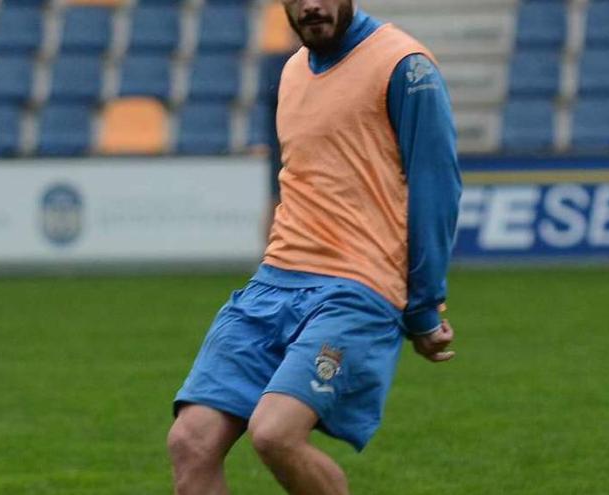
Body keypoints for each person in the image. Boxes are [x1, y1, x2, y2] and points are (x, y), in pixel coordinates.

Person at [166, 0, 462, 493]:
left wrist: (425, 305)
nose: (310, 5)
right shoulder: (290, 72)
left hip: (356, 288)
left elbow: (437, 187)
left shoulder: (404, 66)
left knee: (274, 433)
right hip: (274, 284)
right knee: (190, 442)